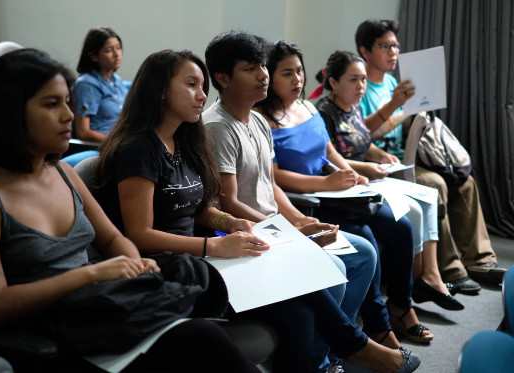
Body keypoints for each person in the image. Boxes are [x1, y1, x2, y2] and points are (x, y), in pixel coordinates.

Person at [94, 46, 419, 373]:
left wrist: (229, 221)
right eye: (191, 85)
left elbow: (199, 209)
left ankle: (345, 352)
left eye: (202, 86)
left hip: (203, 257)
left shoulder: (183, 141)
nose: (201, 94)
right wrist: (215, 244)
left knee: (302, 310)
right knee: (297, 277)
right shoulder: (139, 149)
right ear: (160, 91)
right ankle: (357, 348)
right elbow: (140, 235)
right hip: (171, 271)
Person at [0, 48, 260, 372]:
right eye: (51, 104)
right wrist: (91, 273)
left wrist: (133, 260)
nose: (69, 115)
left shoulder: (63, 173)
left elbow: (114, 239)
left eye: (67, 103)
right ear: (10, 112)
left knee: (208, 329)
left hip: (102, 311)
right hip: (53, 338)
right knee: (203, 340)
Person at [202, 31, 421, 372]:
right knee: (331, 271)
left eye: (263, 66)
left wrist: (297, 220)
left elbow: (269, 185)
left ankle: (327, 356)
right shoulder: (217, 127)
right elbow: (227, 202)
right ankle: (344, 351)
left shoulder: (257, 120)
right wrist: (287, 230)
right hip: (244, 235)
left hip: (273, 225)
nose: (263, 75)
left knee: (363, 253)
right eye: (251, 69)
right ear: (222, 78)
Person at [255, 40, 464, 347]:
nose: (297, 79)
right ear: (269, 77)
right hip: (310, 200)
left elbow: (328, 150)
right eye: (287, 73)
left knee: (401, 226)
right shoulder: (264, 119)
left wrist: (353, 173)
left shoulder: (307, 107)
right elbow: (274, 177)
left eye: (299, 71)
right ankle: (378, 326)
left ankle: (401, 306)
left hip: (339, 191)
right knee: (365, 238)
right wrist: (325, 184)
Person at [355, 18, 506, 292]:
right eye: (385, 46)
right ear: (366, 52)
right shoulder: (358, 85)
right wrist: (394, 106)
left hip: (411, 157)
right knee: (434, 185)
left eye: (396, 46)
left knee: (466, 182)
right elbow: (358, 136)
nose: (394, 52)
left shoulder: (392, 82)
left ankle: (479, 260)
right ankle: (449, 268)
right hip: (382, 164)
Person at [75, 27, 129, 141]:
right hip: (101, 147)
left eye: (118, 48)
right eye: (109, 50)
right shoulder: (88, 84)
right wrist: (116, 143)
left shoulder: (117, 81)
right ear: (94, 56)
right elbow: (83, 132)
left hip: (122, 142)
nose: (117, 54)